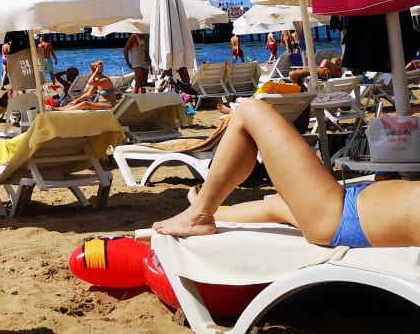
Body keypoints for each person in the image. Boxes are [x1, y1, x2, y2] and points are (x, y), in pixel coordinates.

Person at [153, 97, 420, 248]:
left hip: (341, 215)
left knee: (249, 111)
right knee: (278, 204)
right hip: (353, 208)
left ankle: (199, 214)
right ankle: (208, 210)